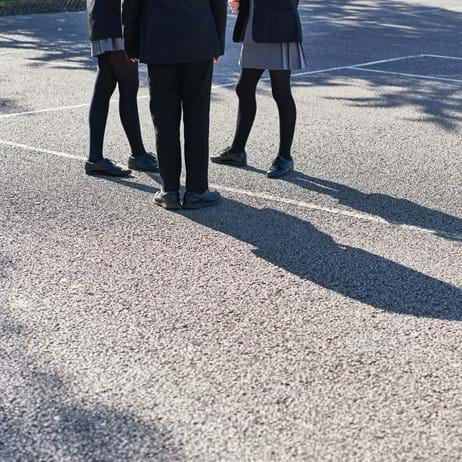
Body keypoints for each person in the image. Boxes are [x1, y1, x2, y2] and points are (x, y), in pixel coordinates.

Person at [122, 0, 227, 209]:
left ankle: (169, 190)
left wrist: (131, 43)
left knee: (164, 118)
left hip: (159, 38)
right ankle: (197, 190)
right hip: (199, 35)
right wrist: (217, 41)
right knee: (197, 117)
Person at [211, 0, 306, 178]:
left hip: (279, 24)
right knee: (244, 88)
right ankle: (237, 151)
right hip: (255, 25)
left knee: (281, 91)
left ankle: (285, 156)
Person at [85, 0, 158, 177]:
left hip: (102, 20)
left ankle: (96, 158)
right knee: (127, 87)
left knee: (105, 87)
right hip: (115, 22)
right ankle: (137, 154)